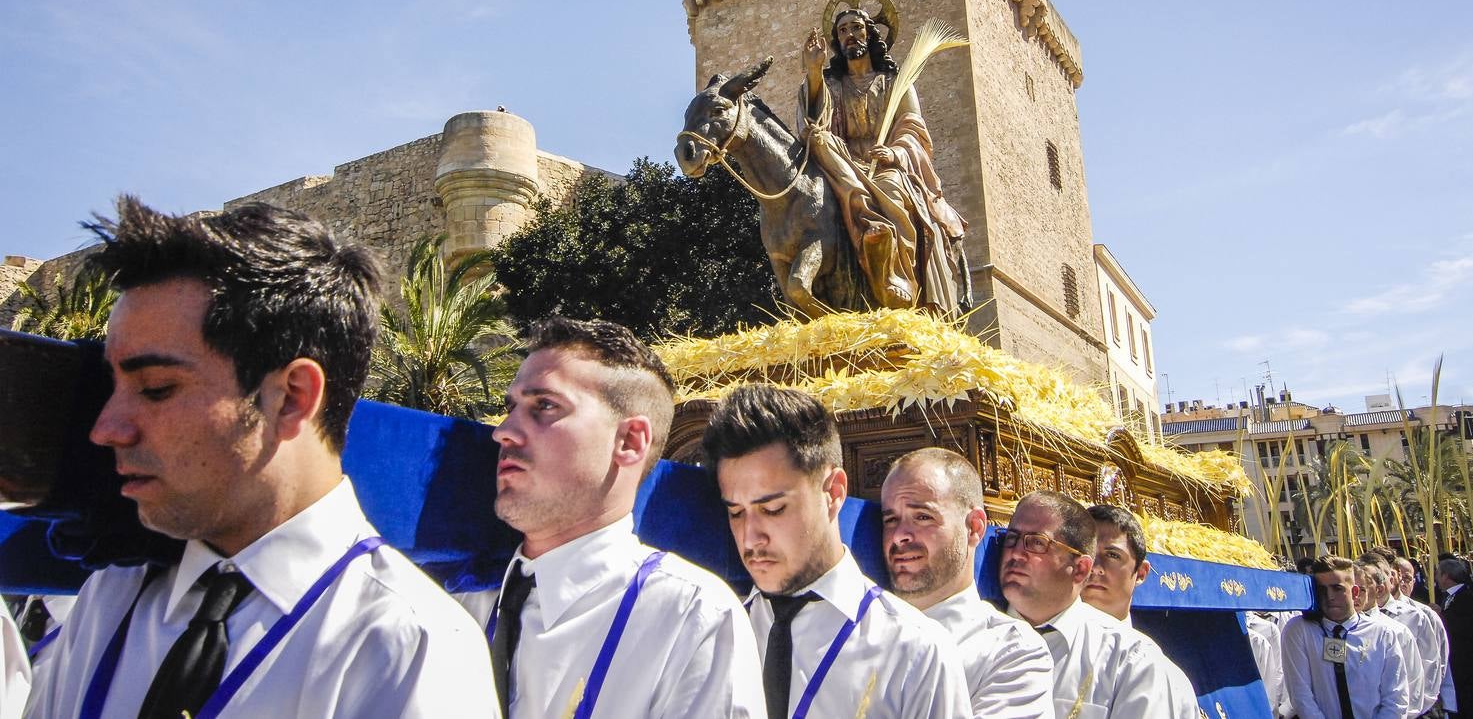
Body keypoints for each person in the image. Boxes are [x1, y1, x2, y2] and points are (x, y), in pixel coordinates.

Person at [25, 197, 496, 718]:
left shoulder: (406, 645)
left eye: (156, 388)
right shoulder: (106, 606)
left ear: (292, 396)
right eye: (110, 387)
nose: (106, 429)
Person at [461, 317, 766, 717]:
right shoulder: (460, 603)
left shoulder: (691, 619)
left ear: (629, 441)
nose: (504, 431)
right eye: (510, 407)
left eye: (545, 406)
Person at [703, 384, 970, 718]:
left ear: (833, 492)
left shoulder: (916, 651)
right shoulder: (712, 634)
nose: (750, 537)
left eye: (773, 509)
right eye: (736, 513)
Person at [797, 9, 969, 313]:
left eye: (857, 28)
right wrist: (813, 72)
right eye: (842, 30)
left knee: (889, 189)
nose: (850, 34)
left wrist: (896, 153)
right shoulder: (832, 86)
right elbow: (812, 123)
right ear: (837, 40)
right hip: (844, 165)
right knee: (820, 142)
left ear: (870, 34)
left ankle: (895, 275)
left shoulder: (895, 83)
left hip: (888, 168)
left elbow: (914, 130)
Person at [879, 447, 1054, 718]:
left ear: (974, 527)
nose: (900, 535)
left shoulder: (1014, 652)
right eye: (890, 520)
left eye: (923, 517)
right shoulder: (857, 630)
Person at [1001, 490, 1175, 717]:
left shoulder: (1131, 659)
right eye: (1011, 539)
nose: (1016, 554)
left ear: (1081, 568)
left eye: (1037, 543)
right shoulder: (970, 633)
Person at [1080, 504, 1201, 719]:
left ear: (1142, 573)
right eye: (1086, 552)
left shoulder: (1158, 671)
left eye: (1112, 555)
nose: (1094, 567)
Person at [1281, 556, 1410, 719]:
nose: (1330, 596)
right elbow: (1301, 696)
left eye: (1337, 588)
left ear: (1355, 592)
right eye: (1322, 590)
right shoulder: (1300, 631)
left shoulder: (1382, 634)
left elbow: (1395, 697)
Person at [1361, 551, 1445, 716]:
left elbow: (1431, 666)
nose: (1375, 586)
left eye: (1379, 579)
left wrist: (1410, 711)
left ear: (1391, 579)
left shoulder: (1417, 616)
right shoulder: (1354, 622)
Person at [1352, 560, 1423, 717]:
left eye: (1361, 589)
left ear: (1379, 590)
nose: (1354, 596)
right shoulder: (1337, 631)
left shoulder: (1396, 631)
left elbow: (1412, 683)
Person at [1440, 557, 1473, 718]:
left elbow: (1471, 625)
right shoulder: (1448, 597)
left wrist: (1443, 618)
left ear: (1445, 576)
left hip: (1471, 667)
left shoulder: (1470, 594)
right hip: (1457, 669)